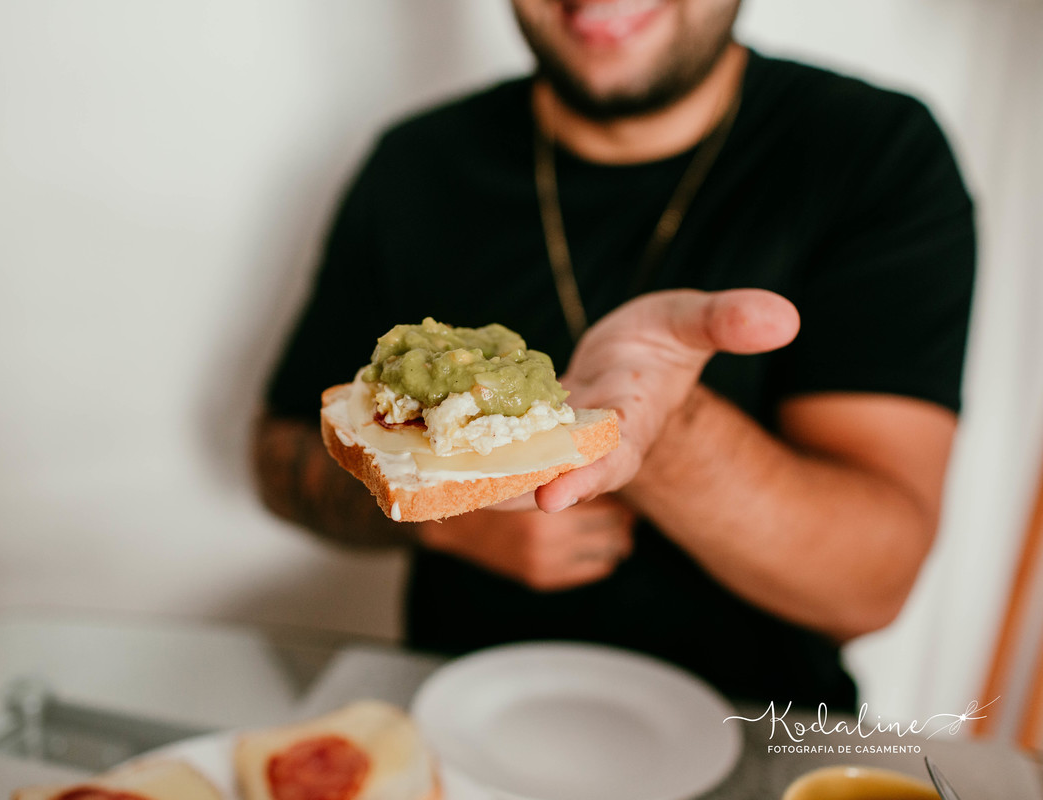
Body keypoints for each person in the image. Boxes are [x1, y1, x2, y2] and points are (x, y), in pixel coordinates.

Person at [253, 0, 974, 710]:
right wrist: (453, 517)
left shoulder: (875, 152)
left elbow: (871, 585)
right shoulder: (413, 163)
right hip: (460, 716)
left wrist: (661, 432)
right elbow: (280, 452)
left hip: (757, 731)